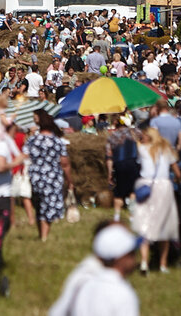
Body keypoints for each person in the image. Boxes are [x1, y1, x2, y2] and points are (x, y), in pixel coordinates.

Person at [48, 223, 140, 316]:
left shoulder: (85, 283)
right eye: (131, 254)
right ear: (120, 258)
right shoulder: (122, 294)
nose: (135, 258)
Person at [131, 126, 181, 276]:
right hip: (164, 187)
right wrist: (179, 181)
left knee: (145, 224)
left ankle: (145, 261)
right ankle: (163, 264)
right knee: (165, 225)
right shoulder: (166, 149)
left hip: (146, 185)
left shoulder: (142, 150)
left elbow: (137, 147)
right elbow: (177, 170)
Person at [25, 109, 72, 242]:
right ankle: (44, 236)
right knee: (48, 206)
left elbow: (24, 156)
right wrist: (70, 181)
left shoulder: (33, 140)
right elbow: (65, 163)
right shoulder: (57, 142)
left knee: (39, 205)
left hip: (36, 177)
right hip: (53, 178)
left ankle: (42, 235)